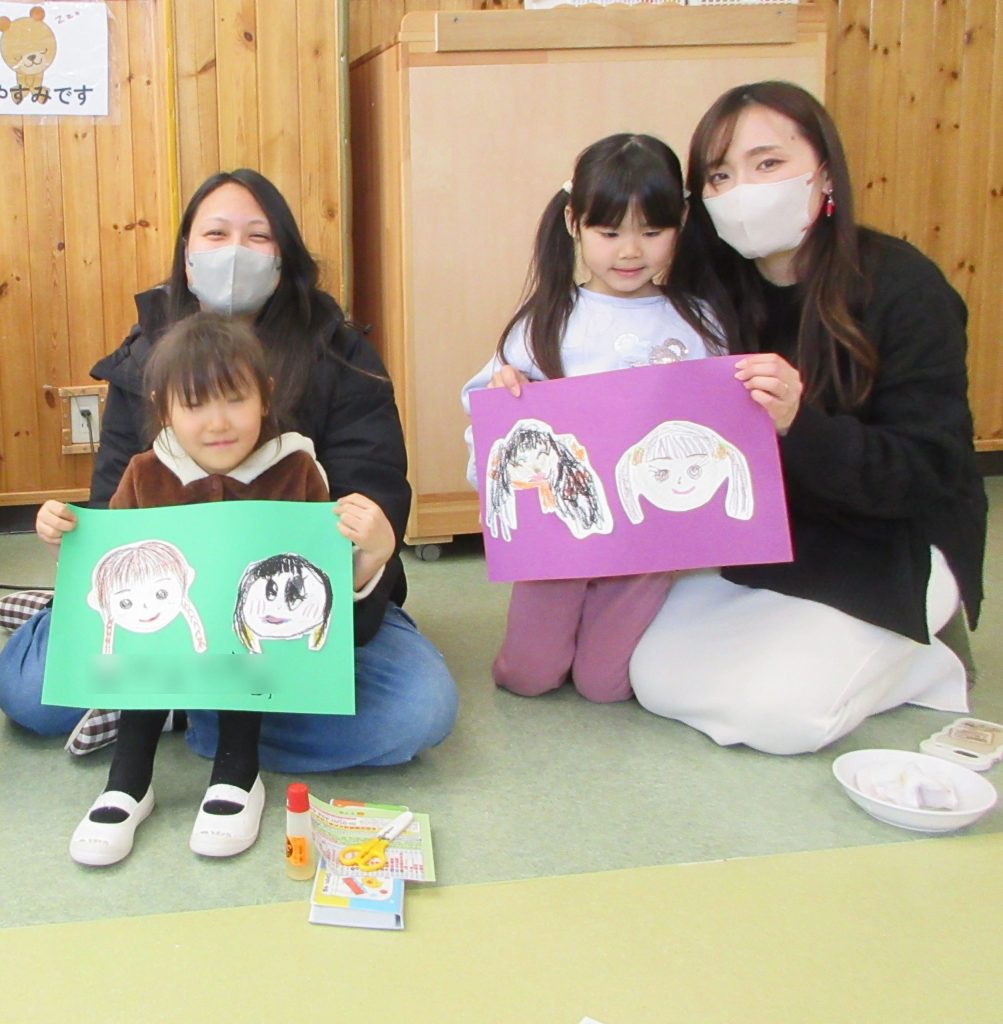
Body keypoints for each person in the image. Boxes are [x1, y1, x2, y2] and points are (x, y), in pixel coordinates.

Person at [0, 169, 457, 775]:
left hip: (288, 607)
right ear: (187, 258)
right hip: (163, 602)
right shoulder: (146, 355)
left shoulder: (340, 354)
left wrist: (371, 547)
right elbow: (112, 503)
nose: (235, 252)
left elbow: (373, 488)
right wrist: (72, 534)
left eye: (258, 236)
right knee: (27, 693)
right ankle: (217, 704)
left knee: (416, 712)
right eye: (215, 234)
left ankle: (187, 710)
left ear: (284, 258)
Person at [628, 81, 987, 754]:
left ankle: (927, 654)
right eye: (720, 176)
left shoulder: (903, 286)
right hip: (775, 532)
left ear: (823, 170)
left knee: (775, 717)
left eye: (768, 163)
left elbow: (929, 470)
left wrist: (799, 423)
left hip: (893, 540)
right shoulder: (711, 287)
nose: (743, 191)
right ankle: (871, 654)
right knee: (651, 676)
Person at [47, 313, 389, 864]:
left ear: (265, 396)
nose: (218, 422)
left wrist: (373, 552)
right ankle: (127, 781)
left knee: (246, 641)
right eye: (195, 404)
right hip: (164, 641)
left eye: (235, 399)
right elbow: (112, 563)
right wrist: (64, 535)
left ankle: (236, 771)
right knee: (140, 648)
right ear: (163, 407)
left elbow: (317, 582)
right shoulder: (144, 473)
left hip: (249, 654)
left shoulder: (296, 470)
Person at [460, 133, 719, 703]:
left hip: (647, 539)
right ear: (573, 222)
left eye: (652, 232)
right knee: (527, 675)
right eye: (609, 232)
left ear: (681, 223)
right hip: (560, 534)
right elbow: (488, 414)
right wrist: (508, 398)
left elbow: (721, 420)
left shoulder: (698, 322)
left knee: (606, 685)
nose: (630, 252)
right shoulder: (546, 319)